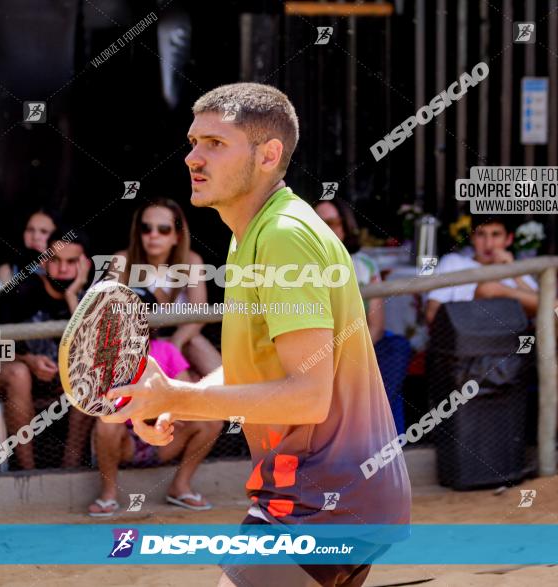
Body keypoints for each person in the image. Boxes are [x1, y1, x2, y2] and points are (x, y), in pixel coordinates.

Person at [103, 83, 411, 587]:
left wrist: (177, 393)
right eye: (193, 141)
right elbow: (265, 365)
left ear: (269, 155)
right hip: (331, 494)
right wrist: (182, 399)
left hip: (323, 501)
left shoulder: (283, 236)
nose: (193, 158)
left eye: (215, 143)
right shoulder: (252, 234)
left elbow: (309, 397)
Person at [425, 215, 558, 448]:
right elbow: (432, 314)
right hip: (468, 348)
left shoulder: (518, 269)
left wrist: (512, 272)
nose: (489, 244)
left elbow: (539, 312)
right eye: (481, 235)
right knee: (489, 288)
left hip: (516, 346)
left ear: (509, 239)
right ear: (472, 238)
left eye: (496, 235)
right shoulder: (453, 263)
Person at [88, 290, 222, 516]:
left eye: (141, 313)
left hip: (164, 437)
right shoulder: (107, 355)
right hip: (125, 442)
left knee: (211, 419)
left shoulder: (166, 350)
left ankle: (180, 487)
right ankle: (108, 495)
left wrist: (161, 415)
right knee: (106, 422)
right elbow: (105, 404)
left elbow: (188, 398)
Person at [0, 227, 93, 470]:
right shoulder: (20, 290)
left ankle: (70, 469)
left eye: (71, 261)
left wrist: (71, 295)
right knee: (19, 374)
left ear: (85, 264)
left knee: (91, 371)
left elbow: (92, 347)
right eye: (55, 260)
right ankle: (29, 472)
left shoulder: (88, 295)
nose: (63, 268)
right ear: (44, 260)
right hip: (3, 372)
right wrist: (28, 360)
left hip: (58, 380)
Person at [314, 199, 411, 433]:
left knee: (397, 347)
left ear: (345, 227)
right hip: (320, 353)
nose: (326, 229)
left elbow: (376, 324)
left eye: (334, 223)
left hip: (363, 345)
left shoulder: (363, 265)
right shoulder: (298, 268)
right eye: (318, 222)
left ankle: (374, 433)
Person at [113, 198, 222, 377]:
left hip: (181, 338)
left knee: (221, 378)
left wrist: (175, 344)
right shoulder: (122, 260)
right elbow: (112, 313)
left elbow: (199, 315)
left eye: (163, 230)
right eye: (146, 228)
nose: (153, 235)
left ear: (177, 236)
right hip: (135, 343)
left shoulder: (191, 261)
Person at [0, 208, 59, 286]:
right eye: (30, 230)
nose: (35, 237)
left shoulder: (66, 269)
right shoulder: (8, 270)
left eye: (44, 231)